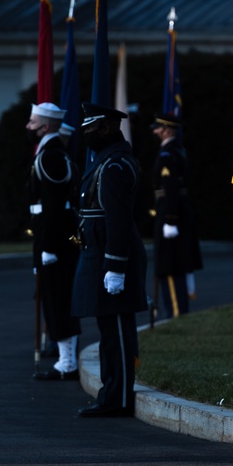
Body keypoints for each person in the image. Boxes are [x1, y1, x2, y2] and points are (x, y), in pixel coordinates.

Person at [71, 102, 147, 417]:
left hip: (111, 260)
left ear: (105, 128)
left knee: (116, 332)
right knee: (108, 330)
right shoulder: (106, 161)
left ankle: (118, 397)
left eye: (90, 129)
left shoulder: (115, 166)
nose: (86, 135)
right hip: (99, 257)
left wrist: (115, 266)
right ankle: (111, 393)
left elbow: (117, 220)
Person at [26, 103, 83, 380]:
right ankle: (66, 359)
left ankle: (67, 362)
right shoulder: (51, 153)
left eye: (33, 123)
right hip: (51, 237)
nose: (29, 127)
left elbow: (53, 204)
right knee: (53, 296)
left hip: (54, 240)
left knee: (58, 297)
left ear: (46, 126)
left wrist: (48, 246)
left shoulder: (51, 156)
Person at [149, 113, 203, 318]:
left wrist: (170, 219)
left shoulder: (167, 155)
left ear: (167, 130)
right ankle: (176, 312)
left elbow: (170, 187)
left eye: (158, 128)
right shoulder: (177, 151)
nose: (155, 132)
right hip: (176, 212)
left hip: (171, 215)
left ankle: (176, 314)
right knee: (174, 264)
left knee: (170, 266)